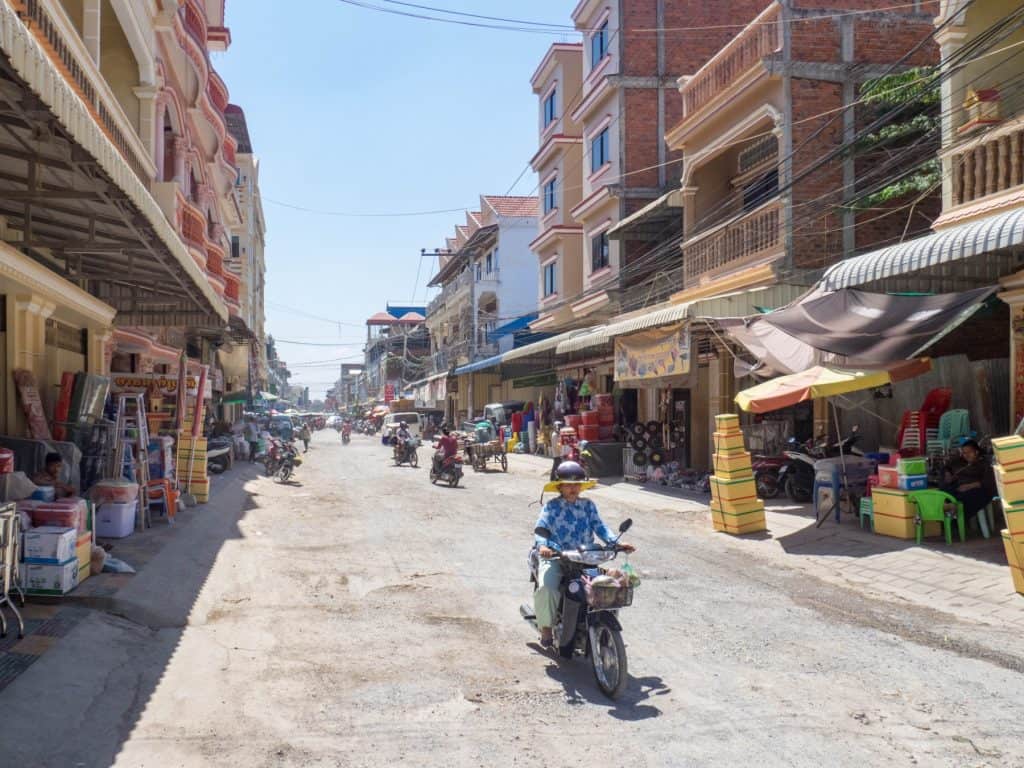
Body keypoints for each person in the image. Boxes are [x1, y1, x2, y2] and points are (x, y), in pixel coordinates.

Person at [532, 461, 634, 648]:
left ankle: (601, 623)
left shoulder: (588, 505)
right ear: (560, 486)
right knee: (547, 588)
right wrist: (543, 546)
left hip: (586, 557)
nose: (573, 488)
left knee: (608, 584)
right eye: (568, 484)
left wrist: (617, 543)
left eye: (576, 484)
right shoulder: (551, 507)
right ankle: (546, 627)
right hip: (557, 556)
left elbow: (600, 526)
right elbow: (540, 529)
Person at [943, 439, 994, 522]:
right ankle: (948, 509)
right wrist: (948, 474)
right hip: (961, 487)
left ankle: (953, 511)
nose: (966, 455)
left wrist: (969, 486)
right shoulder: (961, 461)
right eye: (964, 453)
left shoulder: (985, 463)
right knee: (945, 490)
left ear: (976, 452)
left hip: (979, 490)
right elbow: (947, 466)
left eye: (969, 452)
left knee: (970, 496)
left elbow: (987, 482)